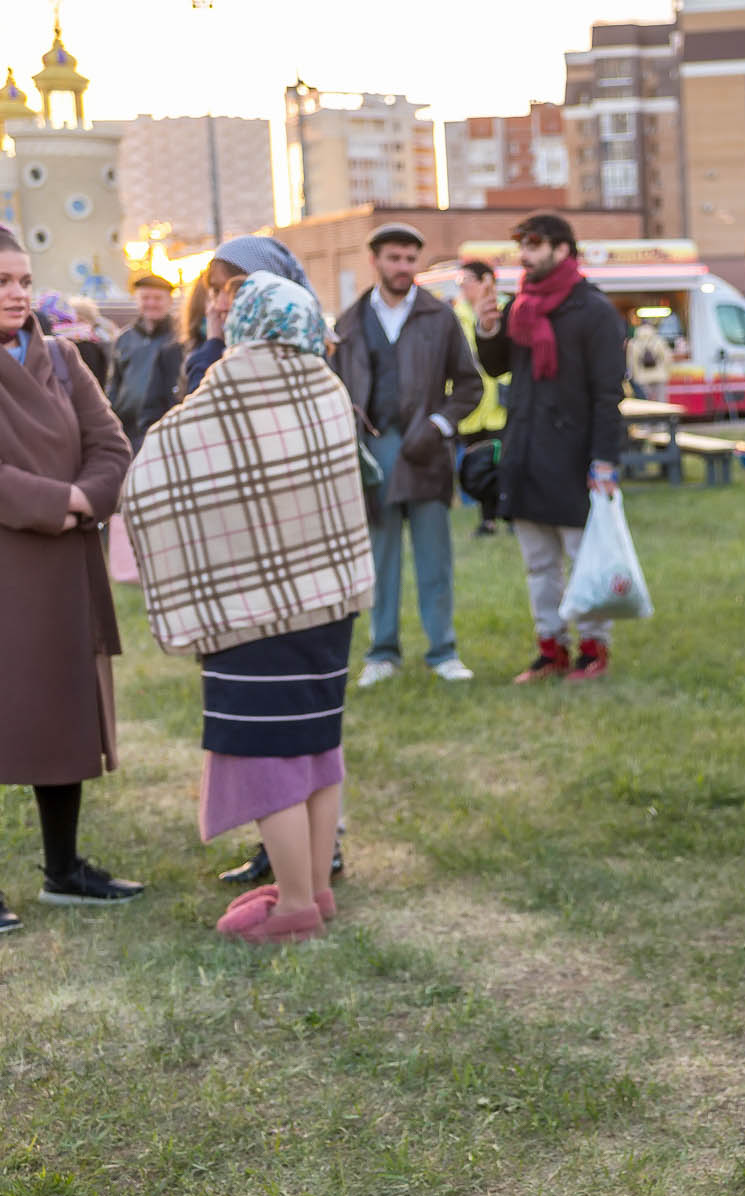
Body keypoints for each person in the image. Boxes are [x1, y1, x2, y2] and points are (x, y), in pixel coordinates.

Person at [126, 274, 370, 945]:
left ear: (248, 323)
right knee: (317, 743)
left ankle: (292, 902)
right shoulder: (326, 386)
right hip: (330, 599)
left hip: (252, 605)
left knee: (267, 752)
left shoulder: (233, 383)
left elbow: (158, 464)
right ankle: (314, 886)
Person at [0, 225, 142, 933]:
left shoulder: (62, 355)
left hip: (65, 568)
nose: (16, 293)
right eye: (3, 282)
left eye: (24, 280)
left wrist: (86, 497)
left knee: (61, 713)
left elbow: (111, 444)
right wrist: (58, 502)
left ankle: (64, 870)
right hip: (6, 569)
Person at [470, 213, 629, 683]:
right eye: (521, 243)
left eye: (534, 243)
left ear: (563, 249)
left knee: (586, 559)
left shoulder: (594, 310)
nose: (525, 253)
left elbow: (608, 395)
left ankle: (593, 649)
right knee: (539, 564)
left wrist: (604, 460)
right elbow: (501, 369)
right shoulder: (522, 303)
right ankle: (550, 649)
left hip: (575, 455)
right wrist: (488, 329)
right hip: (524, 450)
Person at [331, 222, 481, 688]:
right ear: (374, 260)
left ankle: (443, 651)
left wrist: (440, 425)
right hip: (373, 452)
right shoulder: (350, 322)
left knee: (435, 556)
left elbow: (470, 385)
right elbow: (332, 387)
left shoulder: (439, 317)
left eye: (410, 259)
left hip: (426, 451)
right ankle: (382, 651)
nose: (403, 267)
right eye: (394, 258)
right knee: (380, 556)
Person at [179, 234, 312, 401]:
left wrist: (213, 348)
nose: (220, 305)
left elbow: (202, 413)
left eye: (235, 290)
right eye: (216, 290)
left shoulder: (295, 365)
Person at [452, 259, 507, 537]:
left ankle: (510, 516)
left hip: (501, 404)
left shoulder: (506, 308)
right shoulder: (455, 315)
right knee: (478, 464)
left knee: (506, 461)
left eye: (467, 281)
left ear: (486, 280)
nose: (462, 288)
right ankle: (487, 519)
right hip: (472, 406)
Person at [107, 274, 181, 452]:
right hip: (127, 427)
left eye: (157, 298)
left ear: (169, 301)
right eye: (145, 298)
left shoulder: (179, 338)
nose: (151, 303)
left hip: (164, 426)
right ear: (137, 300)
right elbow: (114, 383)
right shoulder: (124, 338)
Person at [626, 321, 671, 402]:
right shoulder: (659, 340)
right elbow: (667, 358)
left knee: (646, 402)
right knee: (661, 401)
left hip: (642, 378)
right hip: (659, 375)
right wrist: (666, 371)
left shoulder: (633, 343)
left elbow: (632, 362)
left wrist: (634, 376)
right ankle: (663, 415)